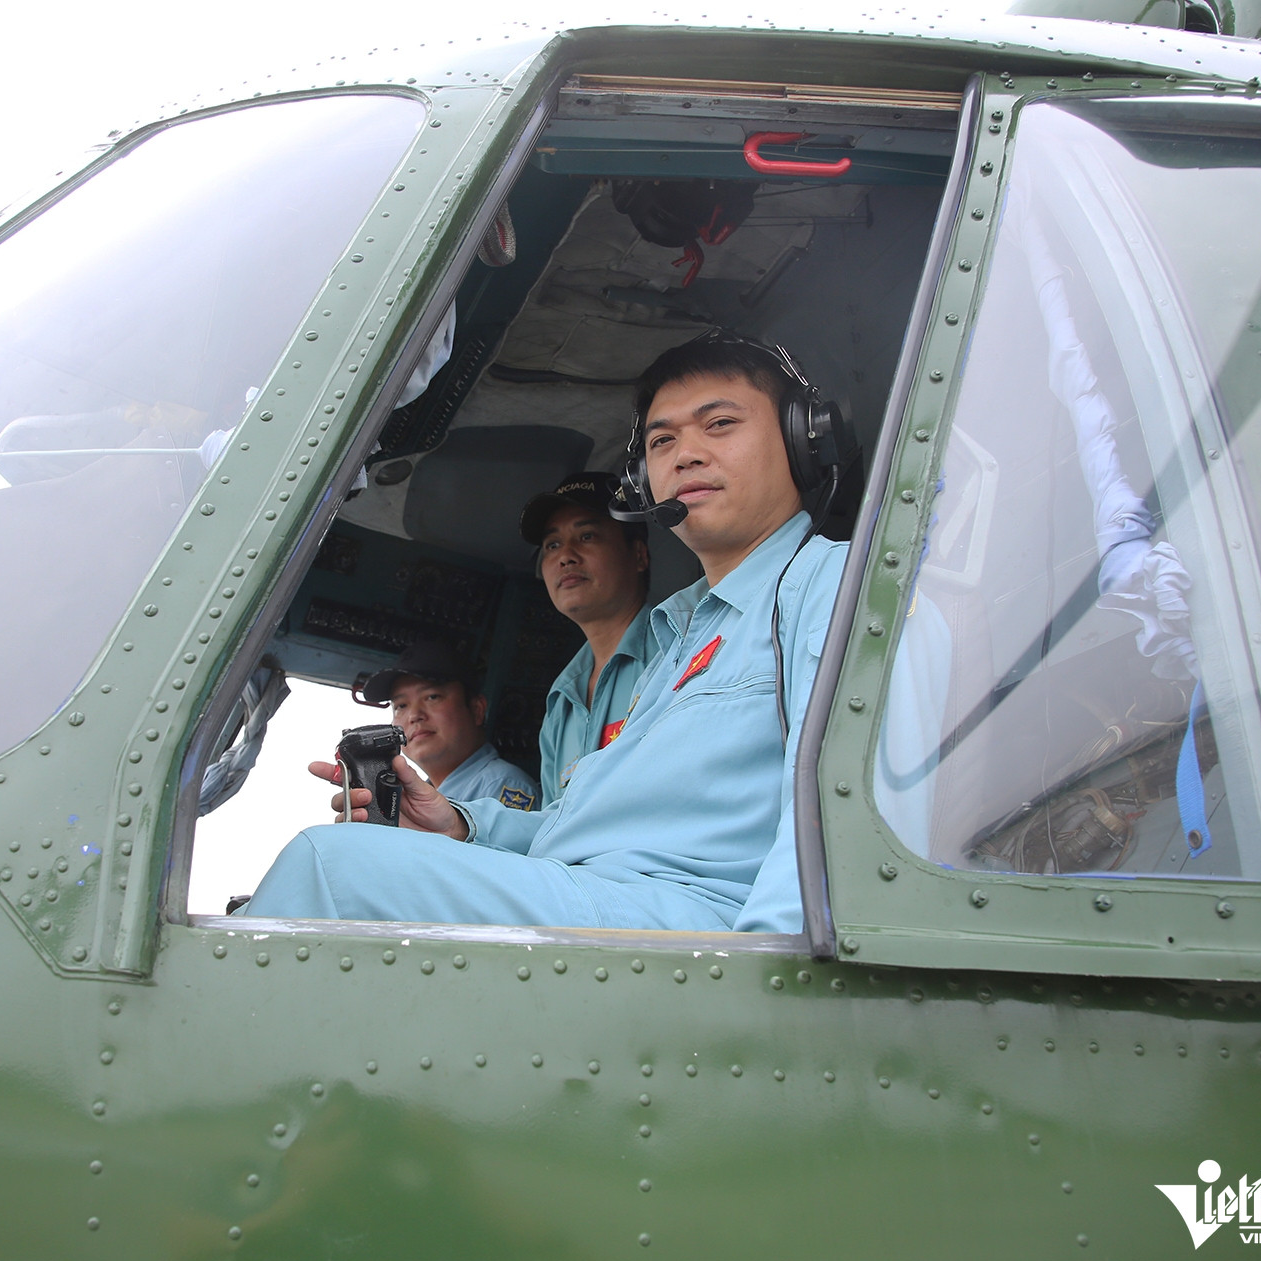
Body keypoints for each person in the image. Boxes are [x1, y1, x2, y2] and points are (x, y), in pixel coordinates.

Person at [241, 332, 848, 933]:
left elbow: (835, 811)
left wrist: (776, 969)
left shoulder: (832, 583)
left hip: (693, 917)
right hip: (604, 894)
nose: (685, 454)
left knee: (333, 867)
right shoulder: (679, 637)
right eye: (663, 440)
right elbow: (576, 824)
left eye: (719, 424)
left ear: (802, 438)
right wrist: (461, 825)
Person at [518, 472, 658, 802]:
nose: (565, 556)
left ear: (638, 555)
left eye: (587, 536)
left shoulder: (678, 651)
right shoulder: (562, 701)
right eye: (552, 545)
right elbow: (554, 820)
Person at [357, 642, 537, 811]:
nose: (414, 715)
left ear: (477, 710)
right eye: (401, 706)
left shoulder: (502, 787)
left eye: (432, 697)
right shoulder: (411, 799)